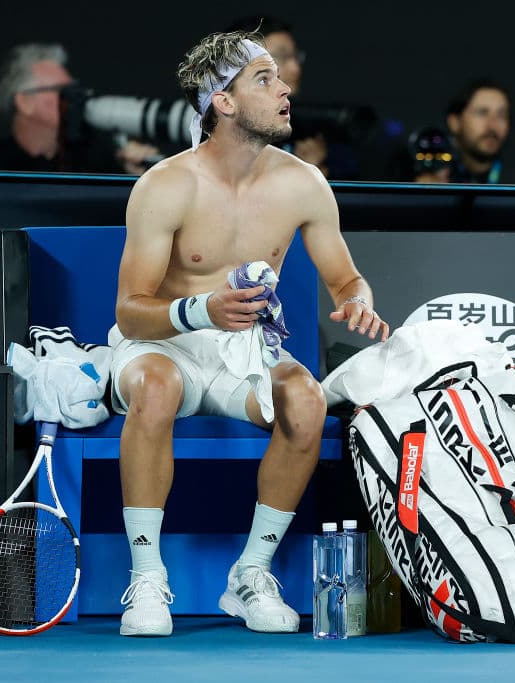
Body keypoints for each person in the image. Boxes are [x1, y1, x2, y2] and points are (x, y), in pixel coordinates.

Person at [111, 30, 389, 637]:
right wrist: (200, 311)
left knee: (306, 401)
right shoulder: (165, 185)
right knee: (154, 387)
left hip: (246, 352)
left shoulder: (304, 184)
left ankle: (251, 574)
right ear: (224, 101)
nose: (285, 88)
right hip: (163, 345)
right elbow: (131, 312)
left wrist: (358, 303)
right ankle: (148, 578)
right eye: (265, 79)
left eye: (281, 77)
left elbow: (346, 279)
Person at [0, 43, 159, 174]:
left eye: (74, 89)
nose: (75, 98)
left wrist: (136, 174)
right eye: (61, 90)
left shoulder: (99, 158)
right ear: (24, 103)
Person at [224, 16, 361, 180]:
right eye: (281, 57)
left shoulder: (314, 133)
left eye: (295, 56)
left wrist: (319, 176)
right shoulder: (214, 136)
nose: (296, 68)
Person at [445, 78, 515, 184]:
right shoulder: (434, 184)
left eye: (502, 115)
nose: (492, 126)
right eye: (482, 113)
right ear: (455, 122)